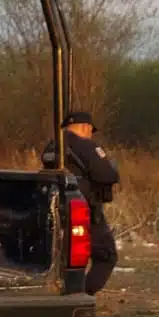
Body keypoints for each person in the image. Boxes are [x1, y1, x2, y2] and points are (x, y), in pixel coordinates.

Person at [42, 111, 120, 296]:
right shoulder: (86, 146)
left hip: (54, 209)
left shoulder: (51, 148)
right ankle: (82, 298)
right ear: (85, 127)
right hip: (85, 211)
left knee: (64, 259)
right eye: (91, 130)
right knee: (106, 256)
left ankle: (65, 296)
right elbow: (108, 175)